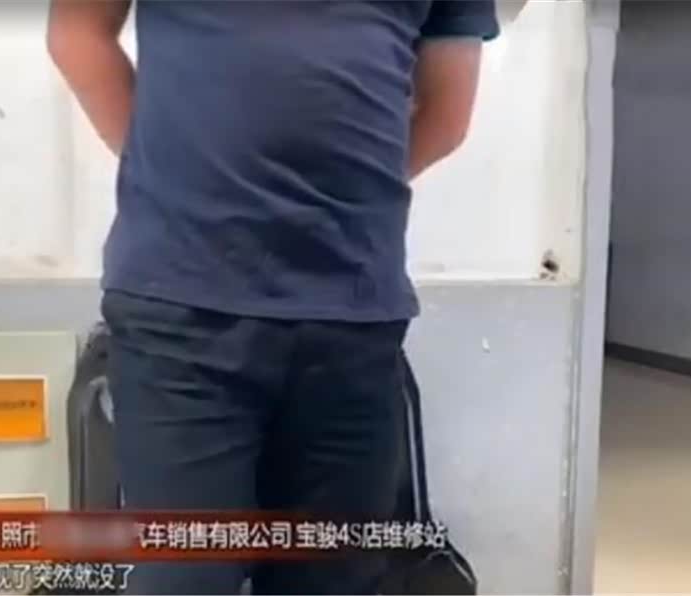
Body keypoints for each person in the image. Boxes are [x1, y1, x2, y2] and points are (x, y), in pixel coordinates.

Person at [47, 1, 498, 593]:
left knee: (331, 578)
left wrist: (335, 201)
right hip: (182, 313)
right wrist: (174, 170)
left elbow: (447, 112)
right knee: (184, 579)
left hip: (353, 321)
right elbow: (77, 32)